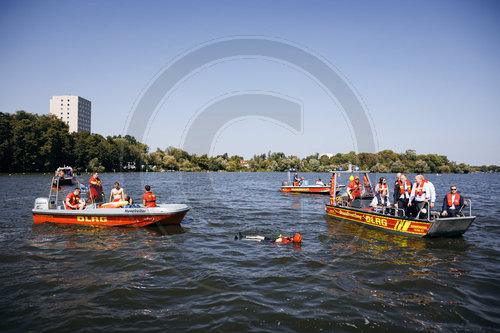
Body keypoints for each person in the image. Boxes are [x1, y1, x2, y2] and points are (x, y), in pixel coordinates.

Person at [235, 232, 302, 244]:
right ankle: (243, 236)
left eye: (294, 236)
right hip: (271, 239)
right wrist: (282, 236)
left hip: (271, 242)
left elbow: (278, 242)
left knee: (257, 240)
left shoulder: (288, 241)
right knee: (258, 236)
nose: (293, 236)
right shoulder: (290, 239)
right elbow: (284, 238)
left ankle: (240, 239)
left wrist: (278, 240)